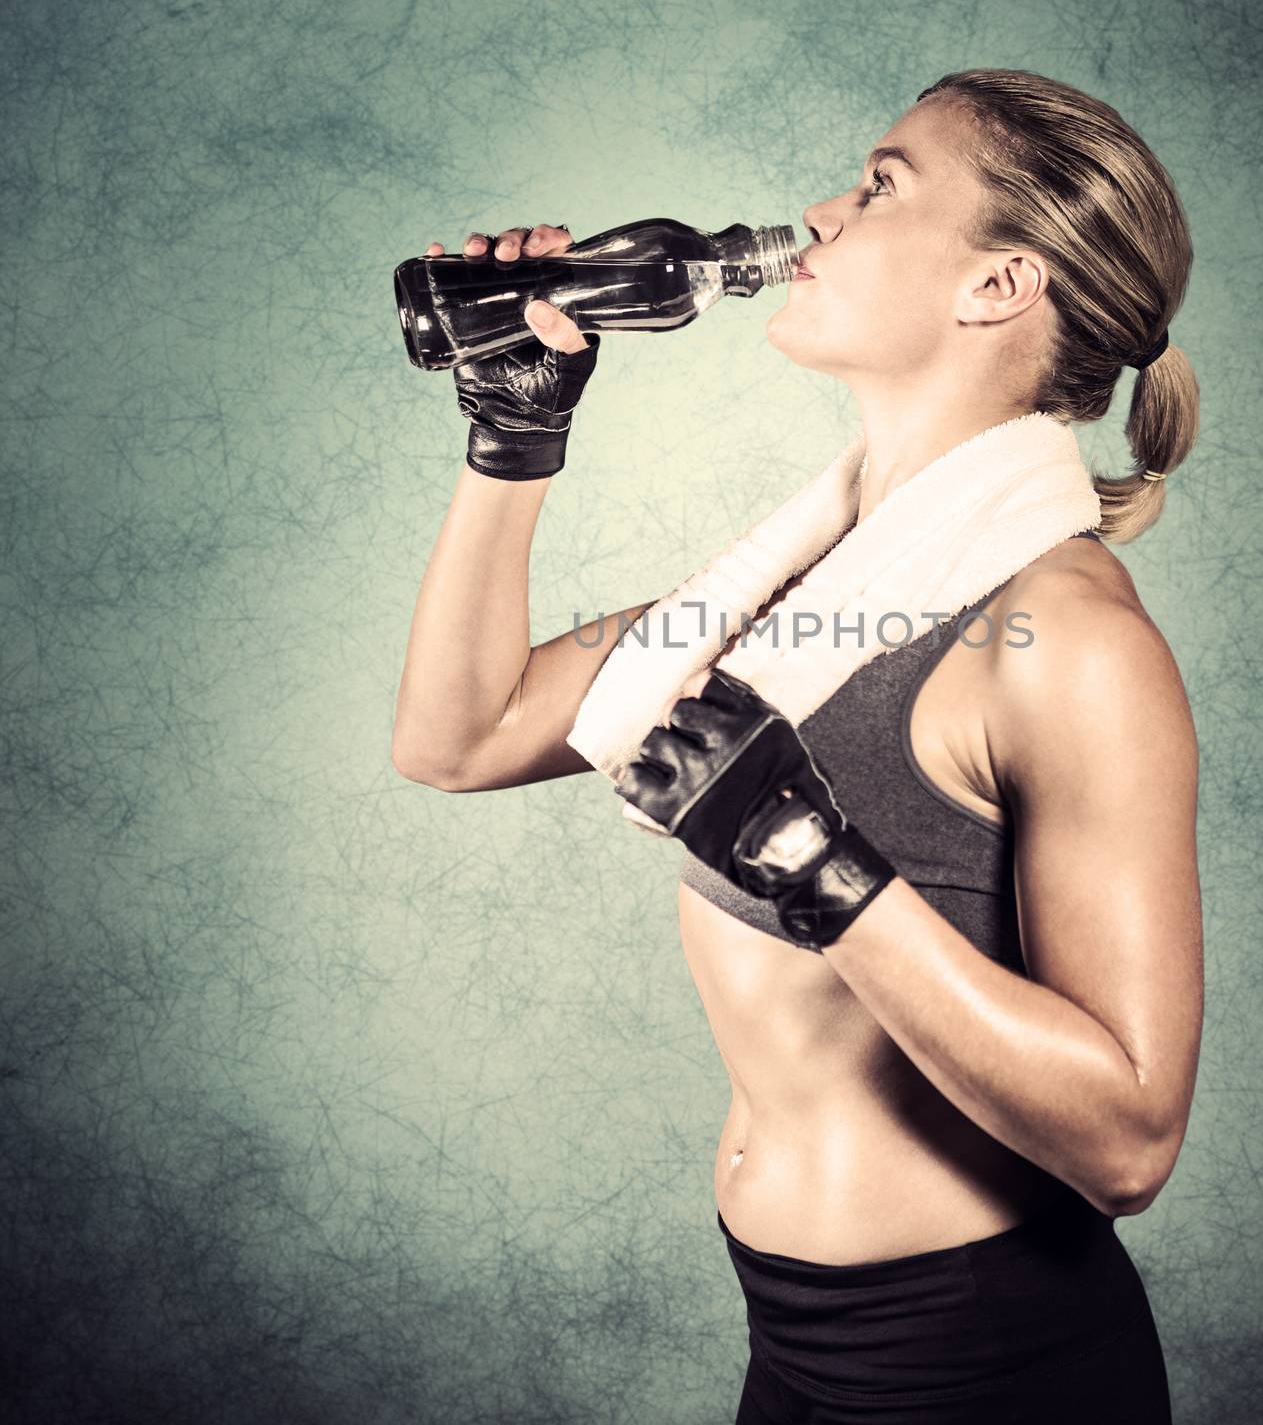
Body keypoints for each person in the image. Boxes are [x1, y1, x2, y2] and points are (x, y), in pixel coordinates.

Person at [392, 68, 1202, 1423]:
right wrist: (513, 439)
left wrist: (816, 864)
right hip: (795, 1347)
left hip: (982, 1369)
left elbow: (1129, 1139)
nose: (821, 212)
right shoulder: (803, 597)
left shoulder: (1066, 638)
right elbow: (458, 735)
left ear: (1000, 285)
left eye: (881, 187)